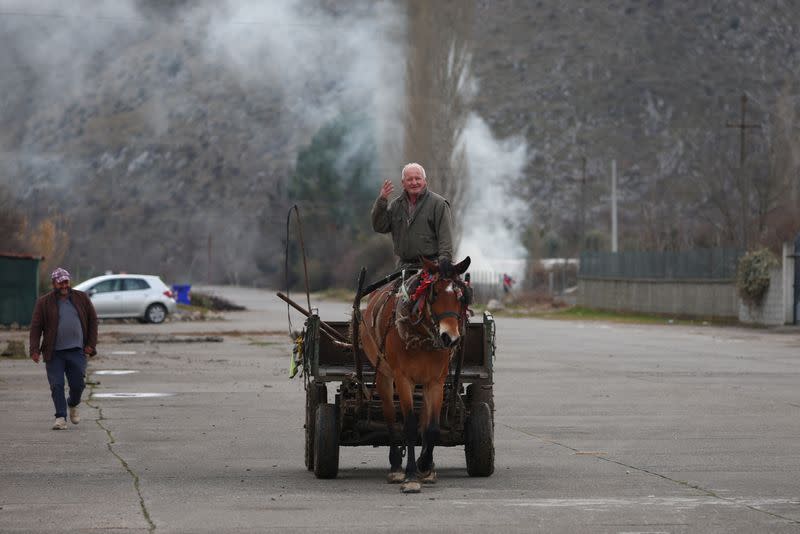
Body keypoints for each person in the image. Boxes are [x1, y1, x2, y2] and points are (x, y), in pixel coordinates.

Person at [29, 267, 98, 430]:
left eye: (66, 282)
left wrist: (91, 345)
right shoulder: (44, 302)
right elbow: (36, 327)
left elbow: (93, 321)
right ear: (54, 284)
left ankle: (72, 404)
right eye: (60, 283)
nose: (64, 286)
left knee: (78, 385)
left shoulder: (82, 298)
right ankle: (60, 417)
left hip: (77, 350)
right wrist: (34, 349)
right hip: (54, 352)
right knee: (56, 384)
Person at [371, 162, 454, 272]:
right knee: (386, 290)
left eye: (418, 178)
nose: (414, 182)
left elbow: (446, 239)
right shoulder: (396, 205)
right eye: (409, 179)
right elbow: (379, 227)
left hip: (431, 268)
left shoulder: (439, 204)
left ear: (424, 181)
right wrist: (382, 200)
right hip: (403, 268)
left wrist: (443, 264)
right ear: (403, 183)